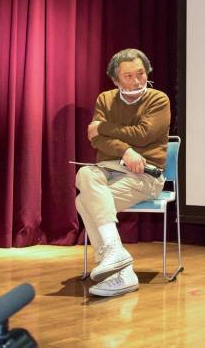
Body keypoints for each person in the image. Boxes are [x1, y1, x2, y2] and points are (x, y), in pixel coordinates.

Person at [75, 48, 170, 297]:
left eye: (141, 73)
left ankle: (120, 271)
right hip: (110, 168)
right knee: (85, 174)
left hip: (147, 174)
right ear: (115, 80)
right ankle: (118, 258)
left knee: (84, 201)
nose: (137, 80)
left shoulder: (158, 99)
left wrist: (104, 127)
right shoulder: (105, 99)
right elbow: (97, 141)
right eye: (129, 76)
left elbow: (144, 134)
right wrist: (126, 151)